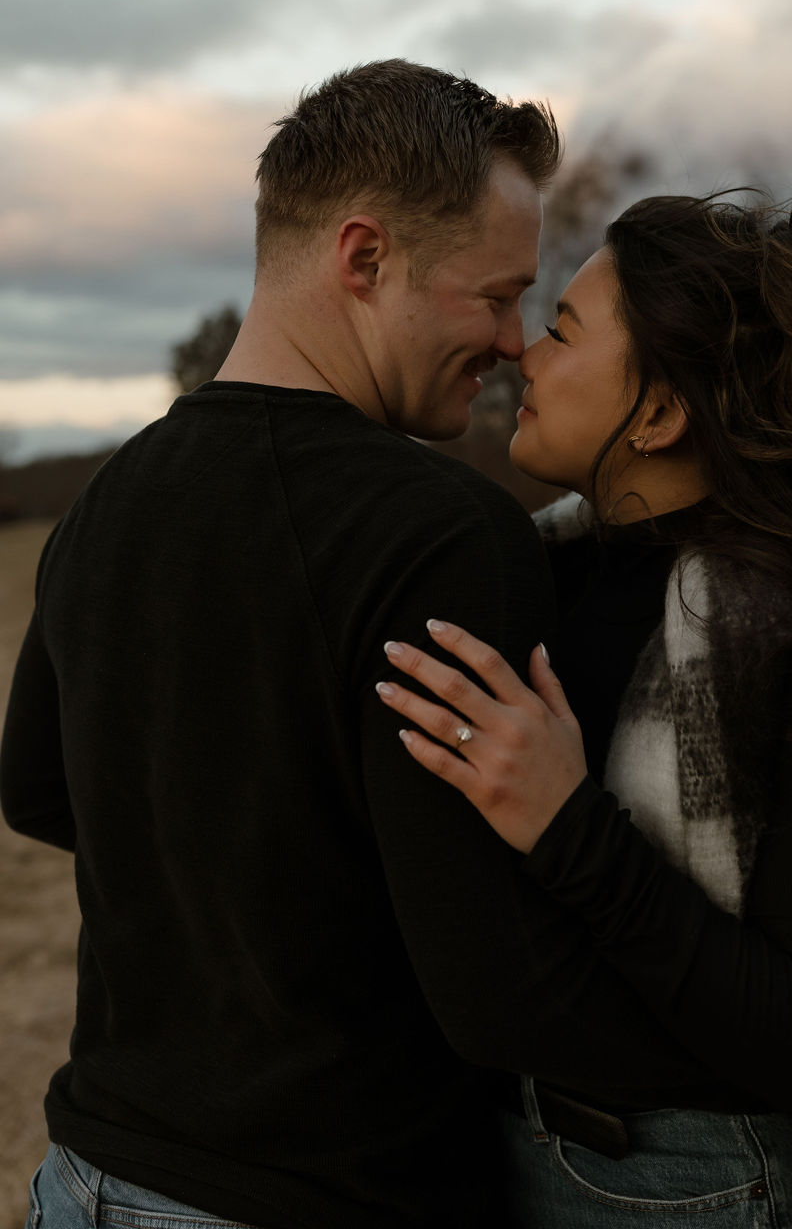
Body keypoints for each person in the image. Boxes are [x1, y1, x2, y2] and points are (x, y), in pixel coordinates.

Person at [1, 62, 728, 1229]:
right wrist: (780, 1048)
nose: (509, 341)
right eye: (494, 296)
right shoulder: (441, 536)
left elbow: (37, 788)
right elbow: (496, 998)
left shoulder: (110, 497)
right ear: (363, 259)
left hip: (86, 1180)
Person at [377, 190, 792, 1228]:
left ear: (658, 415)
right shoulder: (534, 578)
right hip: (500, 1151)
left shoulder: (790, 636)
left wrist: (571, 828)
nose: (524, 350)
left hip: (694, 1185)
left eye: (563, 331)